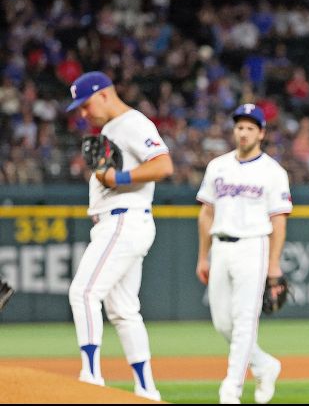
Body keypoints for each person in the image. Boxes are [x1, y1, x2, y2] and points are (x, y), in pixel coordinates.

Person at [66, 71, 173, 401]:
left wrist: (119, 176)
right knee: (124, 311)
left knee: (83, 292)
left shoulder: (132, 122)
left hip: (124, 220)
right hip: (120, 221)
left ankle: (91, 376)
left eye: (85, 106)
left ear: (103, 95)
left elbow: (163, 165)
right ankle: (146, 389)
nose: (83, 114)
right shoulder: (112, 130)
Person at [196, 103, 293, 404]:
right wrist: (203, 255)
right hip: (220, 247)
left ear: (261, 133)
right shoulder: (218, 166)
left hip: (254, 246)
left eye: (251, 127)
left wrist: (273, 265)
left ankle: (230, 391)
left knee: (244, 321)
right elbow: (206, 213)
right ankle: (264, 364)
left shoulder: (273, 171)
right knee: (223, 323)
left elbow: (279, 221)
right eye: (240, 126)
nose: (244, 132)